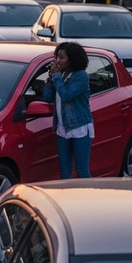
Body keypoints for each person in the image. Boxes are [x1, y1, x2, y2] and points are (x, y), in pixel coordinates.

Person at [42, 42, 92, 178]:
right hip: (62, 127)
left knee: (82, 169)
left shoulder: (80, 76)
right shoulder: (60, 75)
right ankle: (67, 198)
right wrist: (51, 77)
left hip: (79, 126)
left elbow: (67, 95)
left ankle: (89, 197)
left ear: (72, 59)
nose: (58, 61)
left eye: (62, 57)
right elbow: (47, 97)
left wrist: (57, 77)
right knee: (64, 170)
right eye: (57, 57)